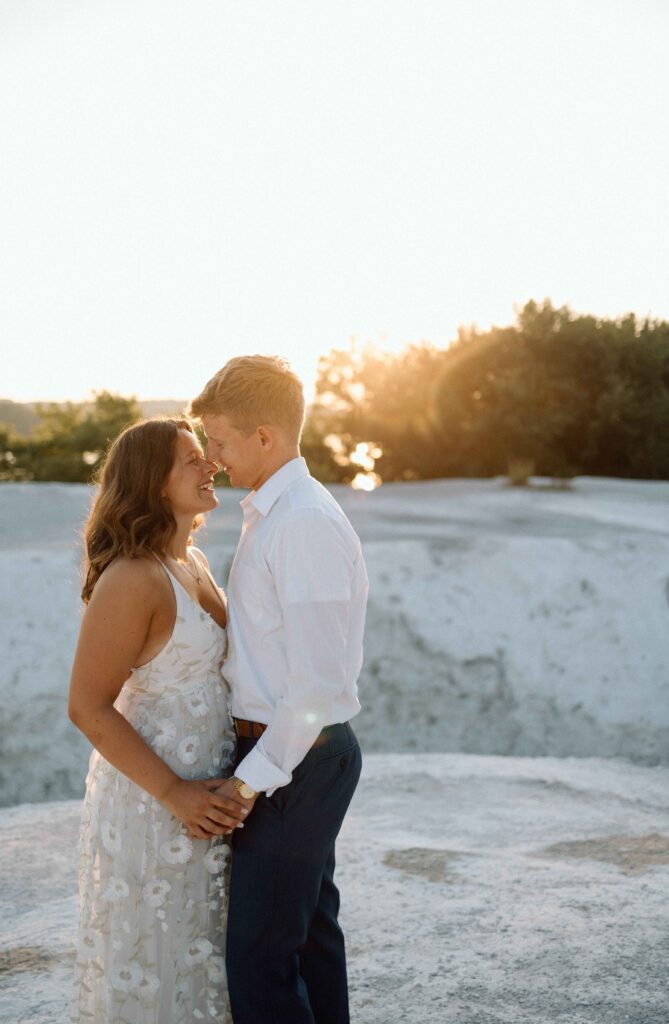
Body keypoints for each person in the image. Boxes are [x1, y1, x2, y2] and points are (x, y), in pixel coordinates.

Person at [189, 355, 369, 1024]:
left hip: (296, 760)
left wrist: (249, 781)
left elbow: (318, 686)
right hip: (291, 758)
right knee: (309, 942)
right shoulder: (276, 512)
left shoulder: (302, 523)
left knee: (260, 961)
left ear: (264, 436)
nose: (213, 457)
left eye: (220, 440)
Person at [68, 417, 246, 1024]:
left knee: (204, 951)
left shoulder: (190, 559)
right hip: (155, 801)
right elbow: (87, 706)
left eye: (207, 455)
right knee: (158, 954)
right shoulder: (132, 578)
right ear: (151, 482)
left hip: (209, 794)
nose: (210, 466)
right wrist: (175, 793)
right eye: (191, 459)